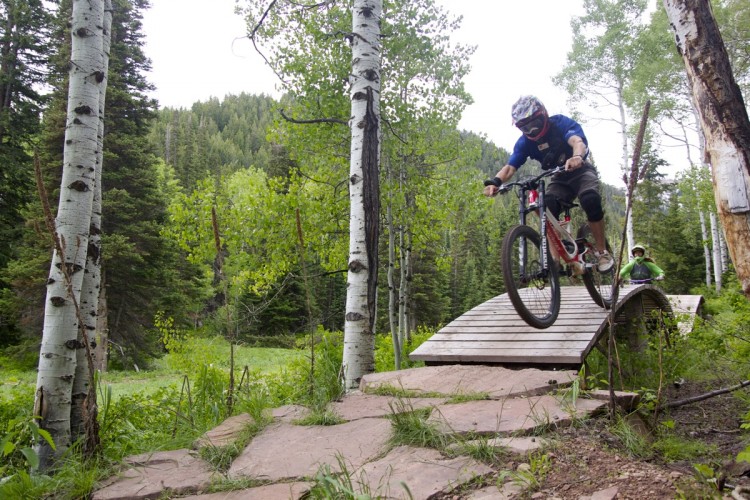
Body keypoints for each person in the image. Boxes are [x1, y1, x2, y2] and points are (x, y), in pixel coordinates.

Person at [483, 95, 614, 272]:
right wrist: (495, 182)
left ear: (543, 114)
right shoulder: (525, 143)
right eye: (525, 127)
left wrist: (576, 157)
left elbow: (577, 141)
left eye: (534, 123)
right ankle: (556, 258)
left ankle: (601, 252)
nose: (531, 130)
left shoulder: (559, 123)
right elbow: (510, 167)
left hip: (581, 170)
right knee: (546, 207)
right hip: (560, 178)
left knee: (590, 199)